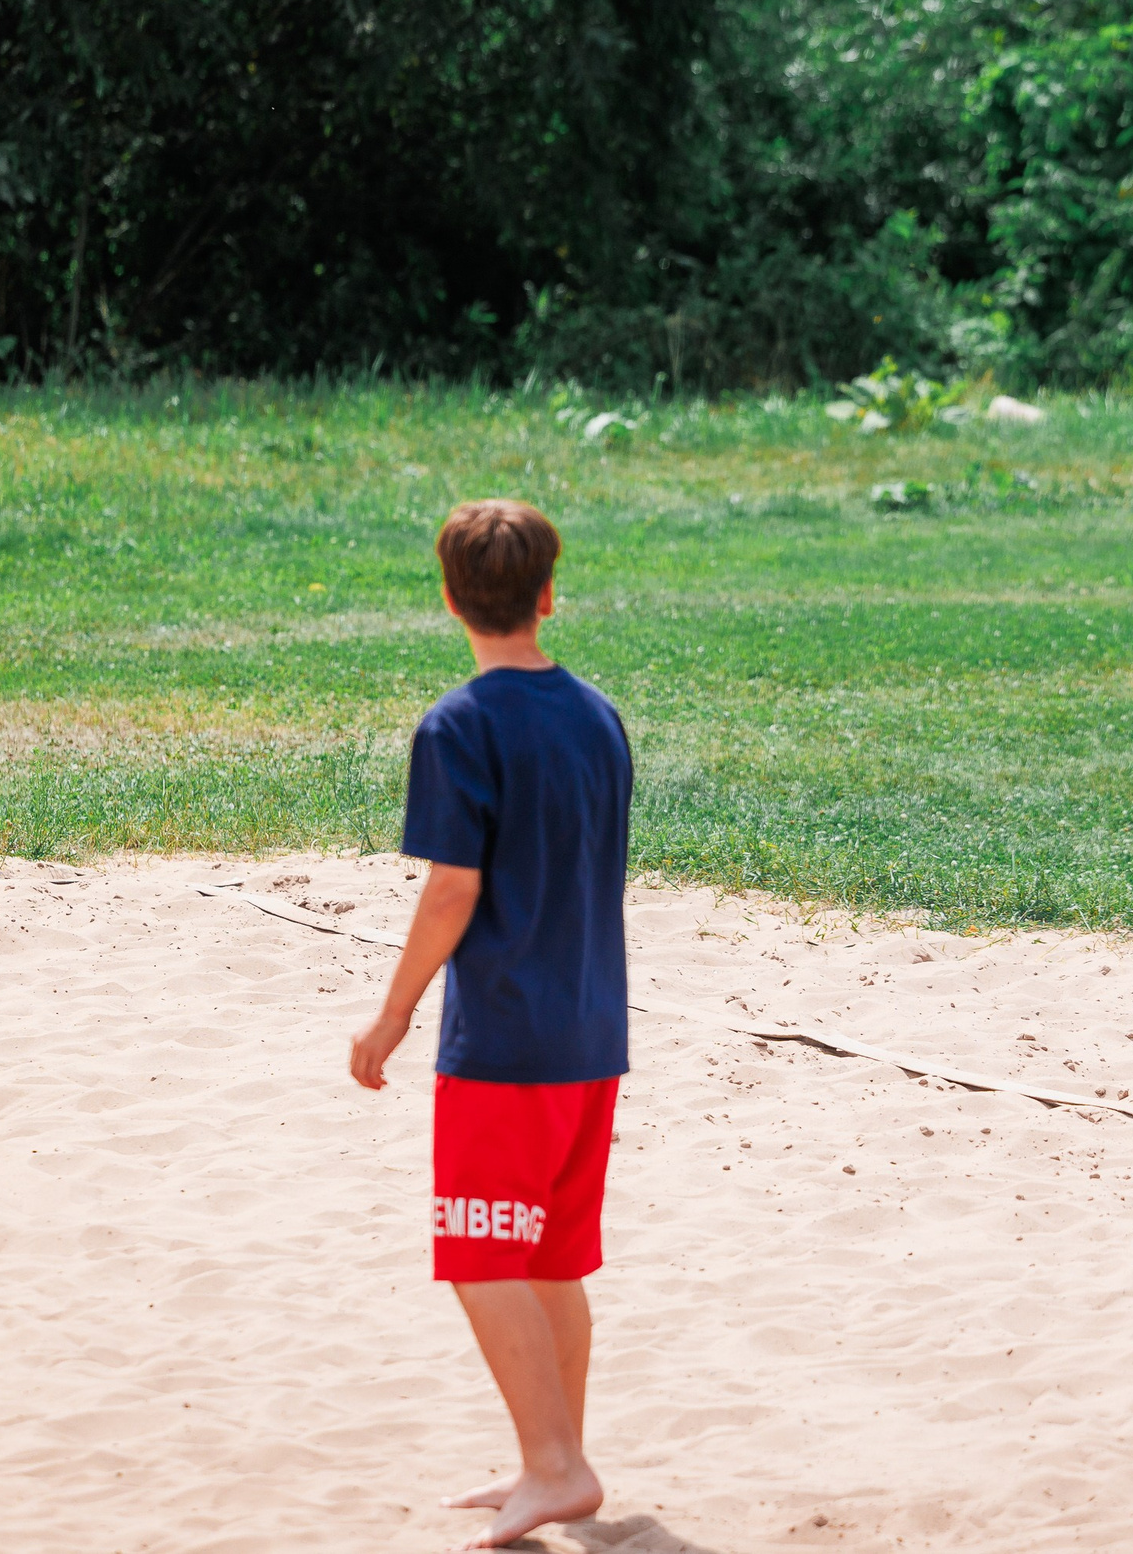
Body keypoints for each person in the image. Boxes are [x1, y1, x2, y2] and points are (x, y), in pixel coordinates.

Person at [348, 498, 634, 1550]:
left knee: (478, 1253)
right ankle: (549, 1460)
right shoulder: (599, 716)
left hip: (507, 1043)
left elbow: (452, 889)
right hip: (590, 1033)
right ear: (548, 595)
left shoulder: (458, 725)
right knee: (549, 1259)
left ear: (449, 598)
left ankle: (557, 1465)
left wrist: (391, 1014)